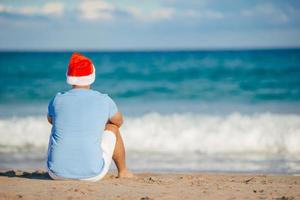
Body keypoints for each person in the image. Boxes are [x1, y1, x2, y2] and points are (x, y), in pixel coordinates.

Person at [46, 52, 133, 181]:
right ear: (92, 76)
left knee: (57, 128)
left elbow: (50, 120)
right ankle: (123, 171)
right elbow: (118, 122)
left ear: (68, 76)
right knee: (113, 127)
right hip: (93, 174)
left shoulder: (57, 99)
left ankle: (61, 164)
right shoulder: (104, 100)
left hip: (55, 173)